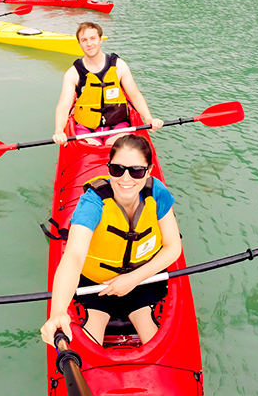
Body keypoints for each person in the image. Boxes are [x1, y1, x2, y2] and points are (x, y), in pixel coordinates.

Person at [40, 134, 182, 346]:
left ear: (149, 171)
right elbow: (74, 256)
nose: (126, 179)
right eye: (118, 169)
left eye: (136, 171)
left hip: (143, 280)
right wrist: (58, 310)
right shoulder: (92, 202)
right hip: (97, 286)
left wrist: (132, 279)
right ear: (108, 168)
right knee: (85, 347)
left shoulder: (157, 192)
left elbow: (173, 247)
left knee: (158, 344)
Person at [53, 22, 163, 146]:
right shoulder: (72, 74)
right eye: (84, 40)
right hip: (87, 130)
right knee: (91, 148)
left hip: (118, 127)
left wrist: (148, 118)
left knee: (117, 146)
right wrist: (59, 130)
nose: (89, 44)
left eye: (93, 38)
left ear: (100, 39)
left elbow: (135, 95)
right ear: (79, 44)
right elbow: (63, 107)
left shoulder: (119, 66)